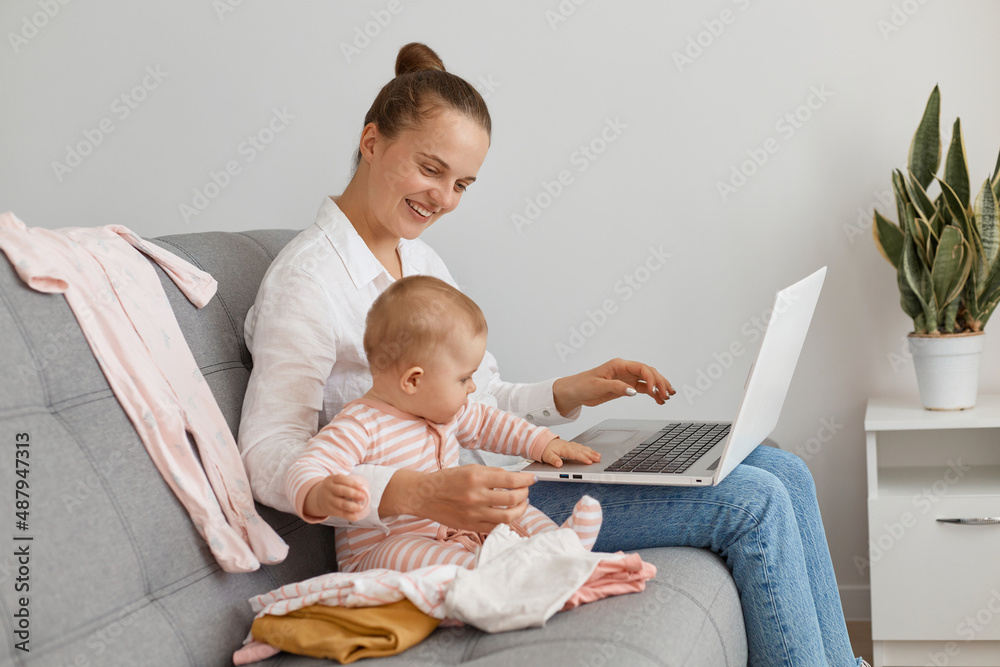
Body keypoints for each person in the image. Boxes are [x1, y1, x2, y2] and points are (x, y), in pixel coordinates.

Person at [238, 42, 869, 667]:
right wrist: (410, 492)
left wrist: (569, 391)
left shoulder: (420, 260)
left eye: (462, 183)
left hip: (490, 487)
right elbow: (268, 455)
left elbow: (479, 396)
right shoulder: (308, 282)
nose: (444, 199)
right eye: (431, 170)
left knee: (783, 470)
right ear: (371, 142)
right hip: (446, 523)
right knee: (753, 501)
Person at [284, 274, 604, 572]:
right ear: (413, 380)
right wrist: (319, 493)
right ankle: (504, 570)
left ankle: (561, 546)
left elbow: (489, 423)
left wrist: (542, 442)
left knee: (512, 507)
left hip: (452, 530)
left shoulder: (445, 412)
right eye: (464, 378)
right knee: (410, 549)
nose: (472, 387)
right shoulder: (359, 425)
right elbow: (304, 468)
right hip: (380, 551)